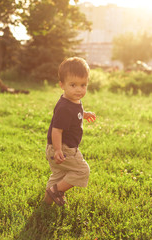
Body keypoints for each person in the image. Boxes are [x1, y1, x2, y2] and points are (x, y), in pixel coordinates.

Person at [44, 57, 96, 206]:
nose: (79, 89)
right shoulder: (64, 107)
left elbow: (75, 111)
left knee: (59, 174)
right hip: (64, 148)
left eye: (83, 85)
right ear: (62, 85)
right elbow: (56, 130)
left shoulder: (73, 100)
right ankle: (55, 192)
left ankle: (46, 204)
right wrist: (59, 150)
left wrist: (84, 114)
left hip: (57, 148)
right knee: (82, 171)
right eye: (73, 85)